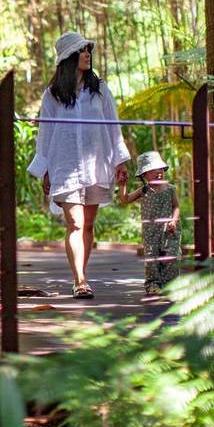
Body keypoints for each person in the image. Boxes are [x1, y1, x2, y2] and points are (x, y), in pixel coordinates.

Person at [28, 31, 130, 299]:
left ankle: (81, 277)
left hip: (97, 165)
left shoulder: (100, 89)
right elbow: (46, 134)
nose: (87, 54)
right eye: (81, 51)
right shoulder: (52, 95)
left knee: (88, 225)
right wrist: (45, 169)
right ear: (69, 58)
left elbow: (113, 125)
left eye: (88, 50)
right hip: (64, 166)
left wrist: (119, 161)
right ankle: (80, 280)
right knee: (75, 222)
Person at [119, 151, 181, 295]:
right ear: (144, 175)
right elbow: (125, 200)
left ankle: (171, 285)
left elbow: (176, 206)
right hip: (150, 232)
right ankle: (153, 285)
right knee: (152, 258)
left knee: (171, 257)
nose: (159, 172)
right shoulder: (144, 190)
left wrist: (174, 220)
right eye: (153, 170)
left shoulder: (170, 189)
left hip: (169, 231)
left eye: (160, 169)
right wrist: (122, 185)